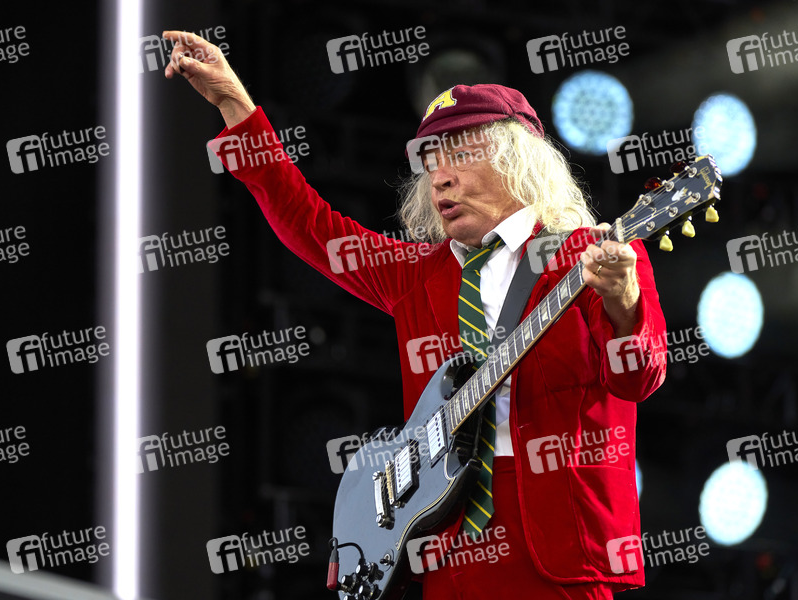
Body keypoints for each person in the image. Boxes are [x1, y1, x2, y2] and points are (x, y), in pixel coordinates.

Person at [164, 30, 667, 600]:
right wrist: (235, 104)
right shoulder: (418, 274)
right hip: (445, 555)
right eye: (430, 161)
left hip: (560, 551)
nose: (440, 176)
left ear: (517, 159)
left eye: (460, 154)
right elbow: (307, 222)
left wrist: (624, 300)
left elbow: (638, 380)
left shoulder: (592, 255)